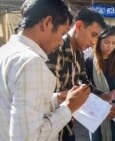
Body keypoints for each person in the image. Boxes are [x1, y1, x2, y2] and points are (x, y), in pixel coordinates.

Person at [0, 0, 91, 141]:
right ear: (47, 23)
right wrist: (68, 108)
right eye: (62, 34)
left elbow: (11, 103)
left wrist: (54, 99)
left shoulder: (5, 52)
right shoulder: (31, 62)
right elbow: (28, 137)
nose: (61, 42)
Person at [46, 7, 115, 141]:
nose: (94, 42)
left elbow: (84, 84)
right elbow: (54, 95)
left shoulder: (79, 54)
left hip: (68, 125)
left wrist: (103, 96)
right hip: (52, 127)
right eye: (94, 35)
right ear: (79, 26)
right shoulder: (56, 48)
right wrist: (101, 108)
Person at [85, 25, 115, 141]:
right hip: (97, 111)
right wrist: (104, 104)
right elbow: (87, 89)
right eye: (107, 42)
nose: (110, 47)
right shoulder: (89, 62)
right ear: (99, 41)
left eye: (114, 43)